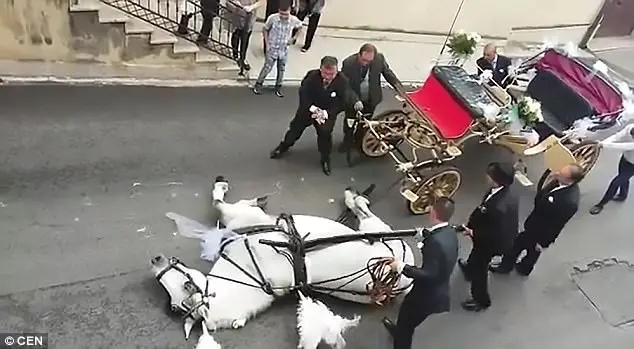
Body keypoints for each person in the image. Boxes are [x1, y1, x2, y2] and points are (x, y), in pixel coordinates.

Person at [382, 197, 458, 349]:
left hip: (425, 297)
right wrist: (425, 237)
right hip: (437, 291)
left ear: (432, 212)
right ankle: (400, 330)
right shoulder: (449, 232)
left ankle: (401, 338)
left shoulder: (436, 242)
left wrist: (401, 267)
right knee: (408, 320)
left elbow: (428, 274)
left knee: (406, 325)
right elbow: (440, 255)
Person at [269, 56, 363, 175]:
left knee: (325, 137)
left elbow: (346, 96)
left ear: (337, 71)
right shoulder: (312, 76)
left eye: (332, 74)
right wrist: (313, 109)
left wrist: (353, 102)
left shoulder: (342, 80)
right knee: (295, 130)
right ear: (320, 69)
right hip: (308, 111)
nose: (328, 77)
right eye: (325, 73)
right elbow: (304, 94)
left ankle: (325, 159)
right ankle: (283, 147)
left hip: (326, 114)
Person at [491, 163, 583, 276]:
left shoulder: (569, 202)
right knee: (532, 251)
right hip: (534, 224)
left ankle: (506, 266)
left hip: (539, 232)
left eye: (562, 174)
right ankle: (525, 268)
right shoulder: (558, 181)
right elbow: (540, 197)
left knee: (518, 245)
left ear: (571, 180)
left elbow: (557, 225)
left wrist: (543, 243)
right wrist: (548, 180)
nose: (558, 173)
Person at [459, 162, 518, 312]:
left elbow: (496, 232)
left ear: (496, 180)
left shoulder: (498, 207)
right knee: (475, 256)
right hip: (484, 236)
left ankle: (481, 300)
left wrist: (474, 233)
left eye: (489, 175)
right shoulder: (502, 192)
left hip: (490, 243)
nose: (486, 176)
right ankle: (469, 268)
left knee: (480, 269)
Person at [339, 43, 402, 152]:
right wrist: (355, 100)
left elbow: (388, 73)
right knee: (350, 121)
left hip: (371, 98)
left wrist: (399, 88)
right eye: (364, 60)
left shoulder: (379, 59)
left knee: (366, 122)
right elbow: (346, 86)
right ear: (359, 55)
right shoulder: (348, 63)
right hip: (354, 100)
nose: (366, 63)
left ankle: (359, 140)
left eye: (369, 61)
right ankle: (347, 140)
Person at [252, 0, 303, 97]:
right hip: (272, 48)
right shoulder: (272, 18)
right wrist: (267, 44)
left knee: (281, 69)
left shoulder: (293, 20)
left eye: (286, 14)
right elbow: (265, 29)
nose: (283, 16)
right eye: (281, 14)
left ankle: (278, 87)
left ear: (290, 11)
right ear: (279, 11)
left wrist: (294, 38)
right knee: (267, 68)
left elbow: (300, 27)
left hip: (284, 49)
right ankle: (258, 85)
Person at [589, 124, 634, 215]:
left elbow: (625, 146)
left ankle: (601, 204)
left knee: (616, 182)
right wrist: (602, 142)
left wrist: (604, 145)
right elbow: (617, 136)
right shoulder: (630, 127)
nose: (632, 137)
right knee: (623, 178)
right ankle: (622, 195)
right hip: (625, 158)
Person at [227, 0, 262, 74]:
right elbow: (228, 2)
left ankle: (242, 58)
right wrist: (235, 4)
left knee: (245, 38)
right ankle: (235, 55)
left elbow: (262, 1)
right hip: (237, 14)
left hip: (250, 16)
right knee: (236, 35)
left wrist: (252, 7)